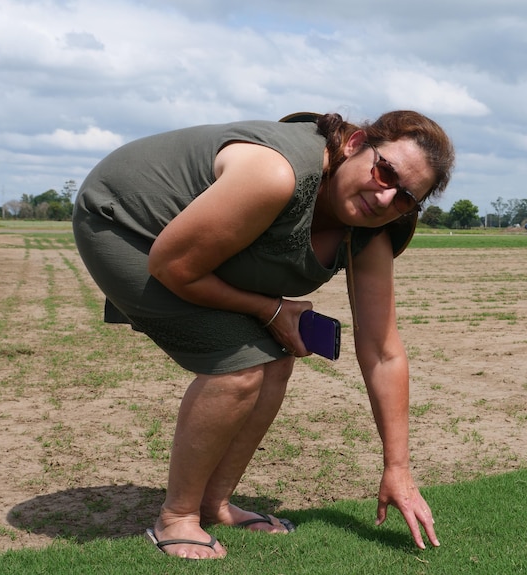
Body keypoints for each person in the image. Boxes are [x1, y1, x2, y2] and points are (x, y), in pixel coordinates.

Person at [72, 110, 455, 560]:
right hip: (126, 224)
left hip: (183, 251)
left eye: (405, 197)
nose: (385, 195)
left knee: (276, 357)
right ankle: (176, 517)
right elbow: (173, 266)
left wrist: (398, 469)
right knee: (241, 366)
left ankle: (214, 503)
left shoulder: (373, 230)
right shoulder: (277, 174)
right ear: (354, 144)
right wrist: (271, 309)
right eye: (384, 170)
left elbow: (382, 351)